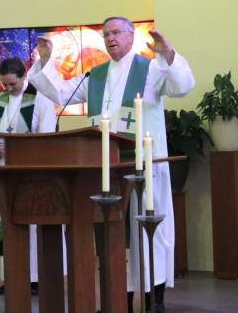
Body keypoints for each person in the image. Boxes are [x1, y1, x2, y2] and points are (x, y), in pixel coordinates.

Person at [28, 16, 195, 312]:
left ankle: (155, 299)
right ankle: (121, 298)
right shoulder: (96, 75)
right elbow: (60, 93)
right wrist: (44, 61)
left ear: (131, 36)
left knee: (147, 232)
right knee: (115, 236)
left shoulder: (150, 68)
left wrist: (168, 52)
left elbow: (181, 86)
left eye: (117, 32)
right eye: (106, 34)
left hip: (144, 165)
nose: (110, 38)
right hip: (106, 168)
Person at [0, 57, 58, 295]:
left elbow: (46, 140)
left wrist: (14, 149)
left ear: (24, 77)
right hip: (2, 172)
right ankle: (9, 276)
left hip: (30, 175)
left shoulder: (42, 100)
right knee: (2, 224)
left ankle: (34, 279)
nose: (9, 89)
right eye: (4, 85)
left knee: (31, 226)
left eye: (13, 84)